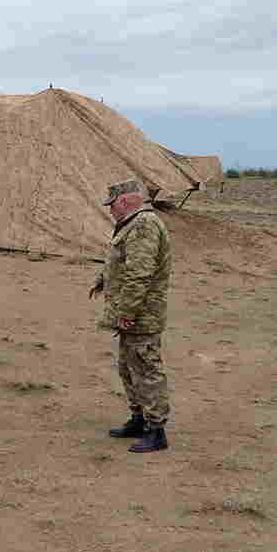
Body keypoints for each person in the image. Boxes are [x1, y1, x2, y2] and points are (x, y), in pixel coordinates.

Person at [91, 179, 173, 453]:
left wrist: (127, 312)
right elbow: (123, 262)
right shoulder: (133, 224)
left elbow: (140, 273)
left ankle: (156, 430)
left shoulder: (143, 225)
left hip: (141, 314)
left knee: (146, 369)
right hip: (134, 312)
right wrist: (103, 279)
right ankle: (139, 419)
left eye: (112, 204)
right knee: (129, 368)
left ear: (124, 201)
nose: (110, 210)